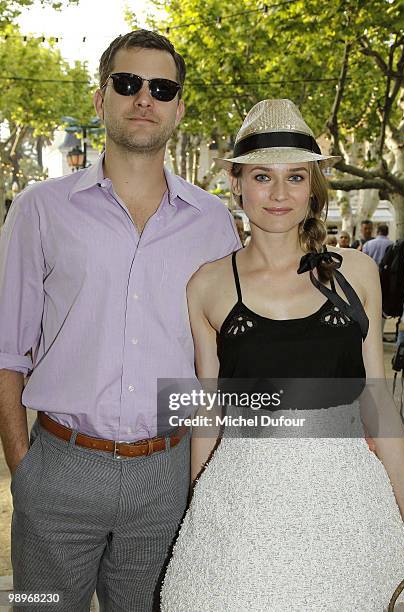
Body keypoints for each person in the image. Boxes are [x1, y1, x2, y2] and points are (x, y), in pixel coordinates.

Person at [0, 30, 240, 611]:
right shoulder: (39, 209)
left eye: (162, 88)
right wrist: (23, 473)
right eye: (128, 83)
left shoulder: (214, 223)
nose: (144, 99)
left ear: (179, 107)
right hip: (58, 468)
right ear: (100, 96)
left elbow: (225, 364)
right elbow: (7, 352)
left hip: (166, 474)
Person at [161, 99, 404, 611]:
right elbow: (208, 415)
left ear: (312, 185)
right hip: (242, 502)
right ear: (236, 182)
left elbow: (380, 406)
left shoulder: (356, 274)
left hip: (348, 504)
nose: (278, 194)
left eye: (295, 177)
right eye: (261, 177)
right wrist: (198, 513)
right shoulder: (207, 285)